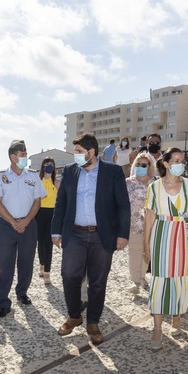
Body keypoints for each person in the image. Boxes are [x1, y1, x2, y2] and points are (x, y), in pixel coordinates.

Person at [52, 133, 130, 345]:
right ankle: (74, 315)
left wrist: (123, 234)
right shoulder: (69, 171)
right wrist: (55, 231)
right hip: (74, 234)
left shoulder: (112, 172)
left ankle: (93, 322)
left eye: (78, 152)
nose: (75, 155)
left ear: (91, 152)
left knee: (97, 281)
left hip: (102, 235)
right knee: (69, 275)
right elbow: (61, 204)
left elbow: (123, 205)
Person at [143, 147, 188, 351]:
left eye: (182, 161)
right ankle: (157, 327)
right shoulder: (154, 187)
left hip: (184, 236)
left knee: (182, 278)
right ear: (166, 163)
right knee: (159, 280)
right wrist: (146, 245)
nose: (180, 164)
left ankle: (177, 317)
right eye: (176, 161)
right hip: (162, 235)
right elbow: (149, 217)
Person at [0, 140, 47, 318]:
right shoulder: (0, 176)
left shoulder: (32, 175)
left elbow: (38, 201)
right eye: (23, 155)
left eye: (25, 154)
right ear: (13, 157)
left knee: (26, 262)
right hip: (6, 227)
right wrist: (14, 222)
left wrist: (25, 221)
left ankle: (22, 292)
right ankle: (2, 301)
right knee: (4, 264)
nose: (25, 157)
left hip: (28, 226)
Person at [125, 152, 157, 294]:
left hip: (152, 224)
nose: (140, 167)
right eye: (137, 164)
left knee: (147, 252)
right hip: (133, 224)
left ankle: (143, 277)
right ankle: (135, 281)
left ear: (149, 166)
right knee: (135, 251)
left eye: (143, 165)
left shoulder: (156, 183)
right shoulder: (128, 182)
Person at [36, 157, 59, 285]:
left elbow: (62, 199)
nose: (49, 166)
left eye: (51, 164)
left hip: (52, 213)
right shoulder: (38, 181)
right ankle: (42, 264)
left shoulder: (56, 182)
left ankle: (47, 273)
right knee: (41, 242)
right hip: (39, 213)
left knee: (49, 243)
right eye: (47, 164)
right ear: (43, 166)